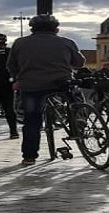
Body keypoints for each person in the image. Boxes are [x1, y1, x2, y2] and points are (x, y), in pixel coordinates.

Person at [8, 15, 85, 165]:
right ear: (56, 29)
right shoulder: (66, 42)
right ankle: (78, 121)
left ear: (31, 28)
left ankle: (29, 157)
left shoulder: (20, 43)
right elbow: (79, 63)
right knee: (75, 99)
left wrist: (17, 78)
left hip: (31, 86)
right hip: (60, 84)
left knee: (32, 121)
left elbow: (11, 65)